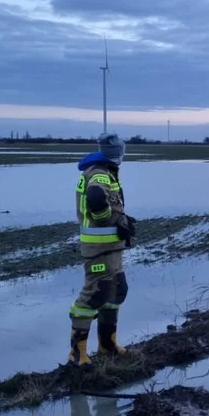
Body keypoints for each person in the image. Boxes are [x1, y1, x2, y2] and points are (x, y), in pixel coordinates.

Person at [68, 133, 136, 367]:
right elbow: (96, 197)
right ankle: (78, 355)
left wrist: (121, 221)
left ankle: (107, 347)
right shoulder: (100, 172)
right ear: (118, 152)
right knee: (95, 294)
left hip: (111, 248)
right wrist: (108, 218)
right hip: (99, 249)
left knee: (117, 291)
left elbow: (105, 201)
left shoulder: (103, 169)